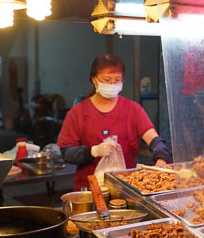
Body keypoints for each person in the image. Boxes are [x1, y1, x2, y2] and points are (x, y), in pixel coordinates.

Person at [58, 54, 170, 191]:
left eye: (117, 80)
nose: (112, 84)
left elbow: (155, 140)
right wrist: (92, 151)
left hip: (127, 187)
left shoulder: (132, 109)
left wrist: (161, 159)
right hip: (89, 190)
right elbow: (66, 152)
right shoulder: (78, 113)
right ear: (94, 80)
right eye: (107, 80)